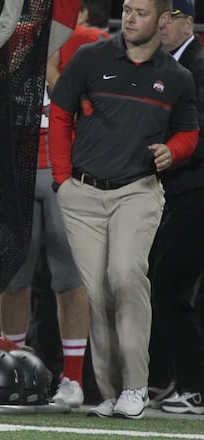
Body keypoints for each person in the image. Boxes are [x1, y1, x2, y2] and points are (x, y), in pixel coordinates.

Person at [49, 0, 199, 419]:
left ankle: (136, 386)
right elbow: (60, 114)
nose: (130, 18)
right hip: (82, 194)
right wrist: (63, 181)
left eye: (141, 12)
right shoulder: (91, 57)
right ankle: (112, 392)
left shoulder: (177, 77)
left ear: (163, 20)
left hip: (137, 191)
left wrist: (172, 151)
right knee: (97, 293)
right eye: (127, 10)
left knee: (126, 275)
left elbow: (189, 132)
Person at [0, 0, 110, 409]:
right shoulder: (6, 42)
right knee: (14, 278)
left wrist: (48, 67)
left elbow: (95, 104)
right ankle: (8, 366)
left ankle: (74, 379)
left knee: (69, 279)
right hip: (18, 170)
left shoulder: (87, 41)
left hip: (66, 169)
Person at [148, 0, 204, 415]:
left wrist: (169, 151)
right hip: (178, 190)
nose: (162, 26)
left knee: (167, 285)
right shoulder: (164, 64)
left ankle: (192, 384)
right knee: (162, 283)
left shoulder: (196, 67)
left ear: (188, 21)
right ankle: (165, 377)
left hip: (194, 189)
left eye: (170, 19)